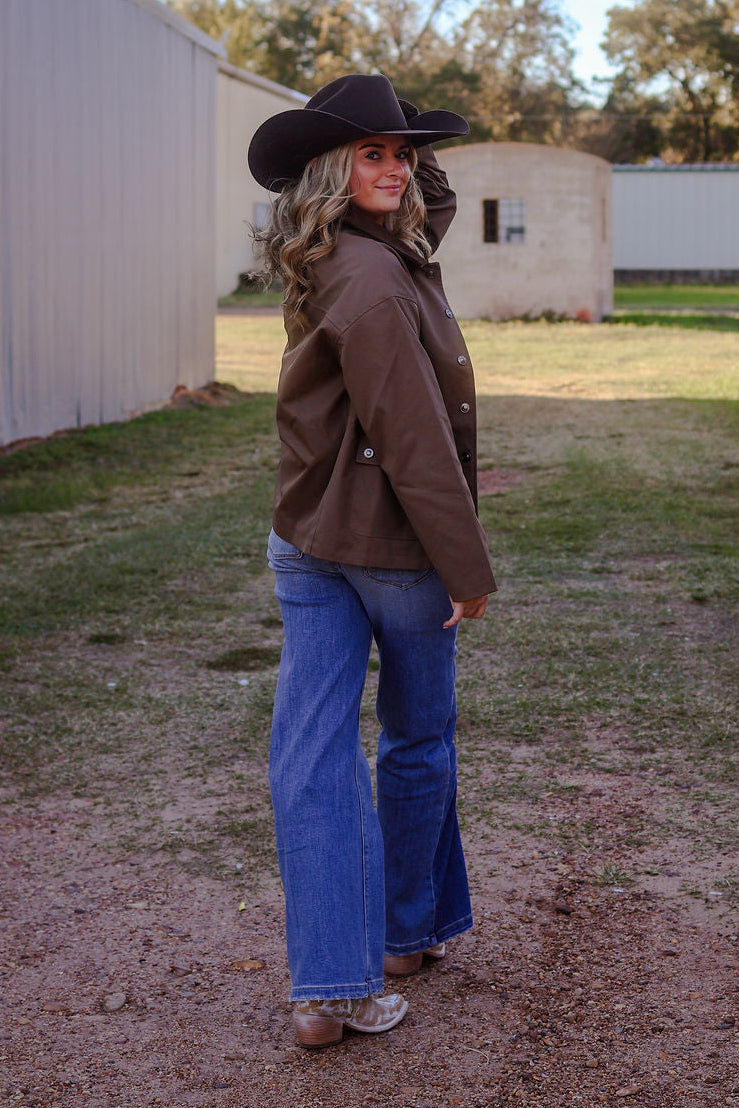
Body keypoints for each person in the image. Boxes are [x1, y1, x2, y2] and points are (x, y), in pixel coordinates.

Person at [247, 73, 496, 1049]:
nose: (397, 171)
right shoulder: (379, 279)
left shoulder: (330, 250)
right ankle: (395, 938)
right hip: (392, 551)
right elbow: (415, 439)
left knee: (310, 754)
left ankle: (325, 989)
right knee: (416, 738)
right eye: (373, 154)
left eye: (402, 153)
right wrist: (466, 568)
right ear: (328, 169)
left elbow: (417, 204)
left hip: (305, 543)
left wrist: (398, 144)